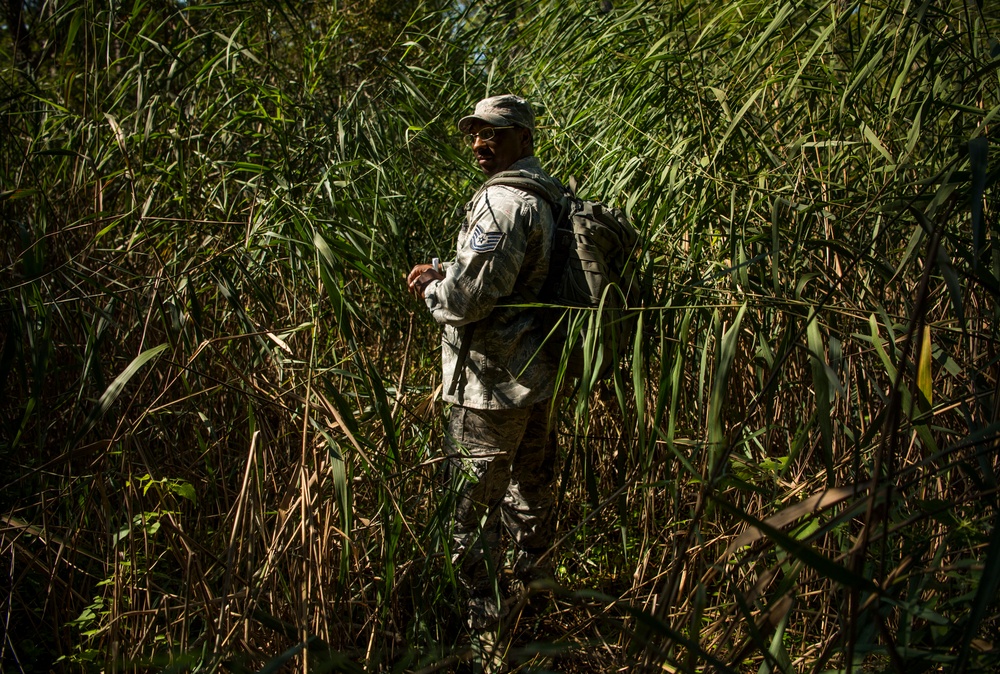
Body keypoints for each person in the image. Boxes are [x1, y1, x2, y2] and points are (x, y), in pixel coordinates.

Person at [407, 94, 563, 632]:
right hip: (536, 378)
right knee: (529, 500)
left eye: (494, 133)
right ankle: (531, 612)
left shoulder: (502, 201)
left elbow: (468, 299)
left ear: (524, 138)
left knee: (470, 517)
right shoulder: (547, 195)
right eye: (475, 133)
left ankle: (484, 638)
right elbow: (516, 275)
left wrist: (433, 287)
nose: (480, 143)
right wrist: (448, 265)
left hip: (490, 389)